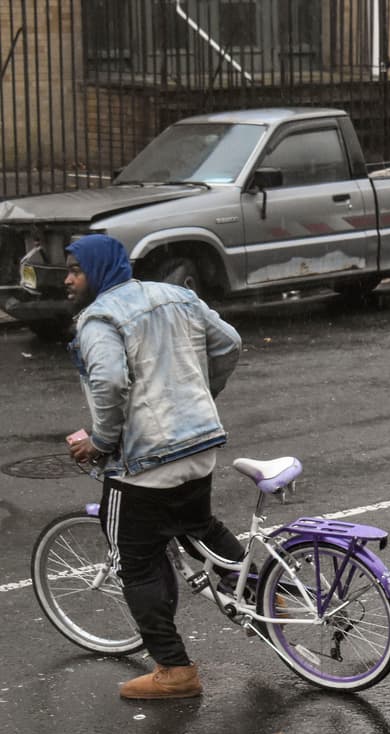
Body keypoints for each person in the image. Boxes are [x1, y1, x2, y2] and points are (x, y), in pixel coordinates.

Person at [63, 234, 243, 700]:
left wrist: (100, 440)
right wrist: (201, 399)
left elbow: (108, 380)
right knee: (198, 522)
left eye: (75, 270)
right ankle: (268, 593)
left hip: (145, 464)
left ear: (97, 272)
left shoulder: (98, 319)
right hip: (200, 444)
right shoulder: (175, 295)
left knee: (135, 561)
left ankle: (174, 669)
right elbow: (229, 344)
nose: (67, 279)